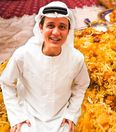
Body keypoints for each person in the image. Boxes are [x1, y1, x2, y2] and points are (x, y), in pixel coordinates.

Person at [0, 1, 90, 132]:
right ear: (41, 27)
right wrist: (17, 116)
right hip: (29, 115)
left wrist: (71, 113)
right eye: (50, 25)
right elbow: (6, 82)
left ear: (68, 30)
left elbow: (81, 85)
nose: (55, 32)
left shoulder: (76, 59)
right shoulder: (23, 55)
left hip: (61, 116)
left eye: (62, 27)